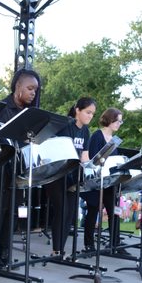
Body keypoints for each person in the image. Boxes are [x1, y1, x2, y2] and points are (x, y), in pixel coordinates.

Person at [0, 68, 40, 267]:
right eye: (30, 88)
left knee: (12, 210)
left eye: (36, 90)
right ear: (18, 86)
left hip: (17, 167)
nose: (33, 93)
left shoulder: (30, 114)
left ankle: (5, 252)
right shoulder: (1, 108)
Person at [45, 97, 95, 256]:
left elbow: (85, 157)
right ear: (77, 110)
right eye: (88, 112)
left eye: (93, 114)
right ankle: (55, 250)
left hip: (74, 177)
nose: (90, 116)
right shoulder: (65, 126)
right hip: (57, 174)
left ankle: (61, 250)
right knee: (62, 210)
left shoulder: (86, 131)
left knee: (69, 213)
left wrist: (92, 168)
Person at [81, 108, 124, 253]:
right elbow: (92, 160)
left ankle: (115, 244)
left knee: (114, 212)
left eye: (120, 121)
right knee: (93, 210)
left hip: (110, 182)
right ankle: (89, 245)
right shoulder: (97, 136)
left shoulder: (114, 140)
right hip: (97, 181)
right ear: (110, 120)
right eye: (118, 121)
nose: (119, 124)